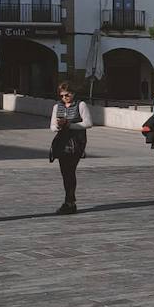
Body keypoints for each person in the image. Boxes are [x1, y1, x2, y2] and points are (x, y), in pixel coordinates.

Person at [48, 82, 92, 215]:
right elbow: (52, 126)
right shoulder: (57, 106)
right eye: (62, 95)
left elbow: (88, 123)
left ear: (73, 93)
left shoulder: (81, 105)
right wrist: (58, 126)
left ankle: (69, 201)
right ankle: (69, 201)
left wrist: (69, 124)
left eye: (67, 94)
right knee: (65, 171)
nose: (65, 98)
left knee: (70, 170)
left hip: (76, 142)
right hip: (62, 142)